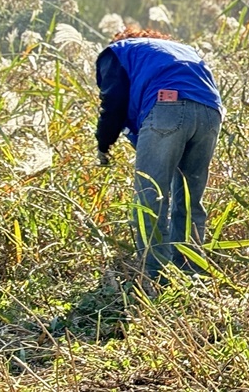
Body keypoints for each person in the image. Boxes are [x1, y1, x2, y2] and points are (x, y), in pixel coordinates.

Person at [95, 27, 224, 281]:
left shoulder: (117, 52)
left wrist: (103, 143)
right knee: (189, 200)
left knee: (150, 197)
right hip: (211, 112)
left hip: (167, 105)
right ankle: (190, 272)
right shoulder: (180, 50)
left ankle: (155, 276)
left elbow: (114, 103)